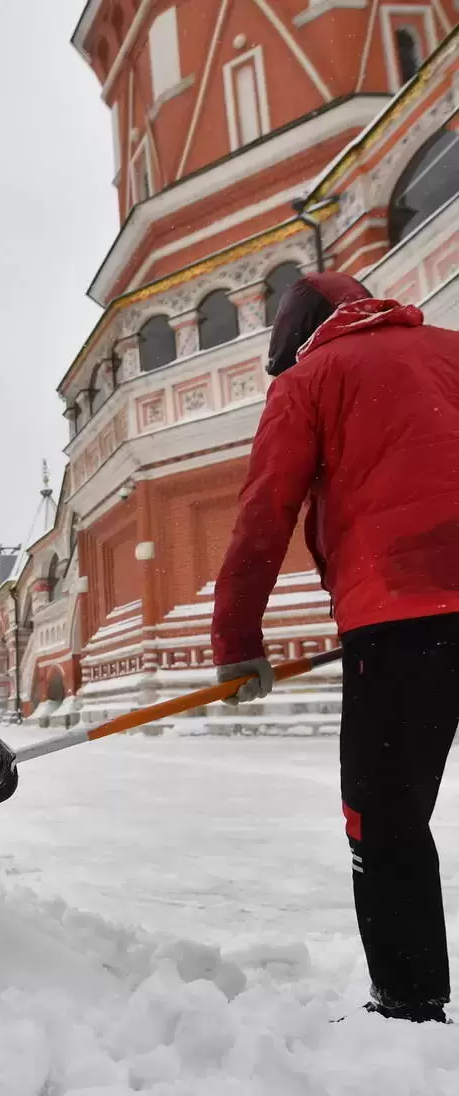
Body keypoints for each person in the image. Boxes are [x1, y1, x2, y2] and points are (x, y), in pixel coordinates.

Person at [212, 271, 459, 1024]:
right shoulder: (452, 349)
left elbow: (265, 513)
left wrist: (238, 642)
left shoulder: (310, 380)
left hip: (401, 617)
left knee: (383, 818)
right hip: (414, 607)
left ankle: (411, 1005)